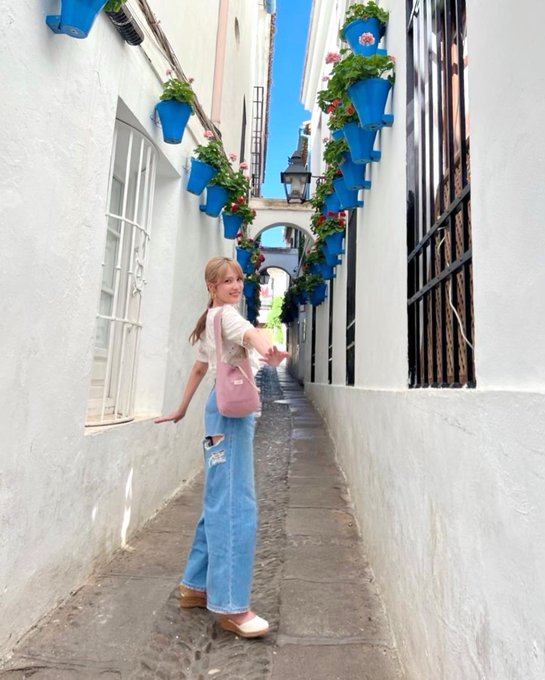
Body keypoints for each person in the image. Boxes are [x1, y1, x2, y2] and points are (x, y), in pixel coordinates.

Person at [155, 256, 288, 638]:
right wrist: (269, 350)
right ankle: (231, 606)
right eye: (227, 281)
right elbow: (251, 334)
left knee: (219, 496)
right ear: (211, 287)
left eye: (239, 279)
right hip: (230, 417)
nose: (236, 286)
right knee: (235, 505)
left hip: (219, 412)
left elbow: (201, 367)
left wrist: (182, 408)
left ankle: (195, 585)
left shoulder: (210, 320)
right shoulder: (226, 317)